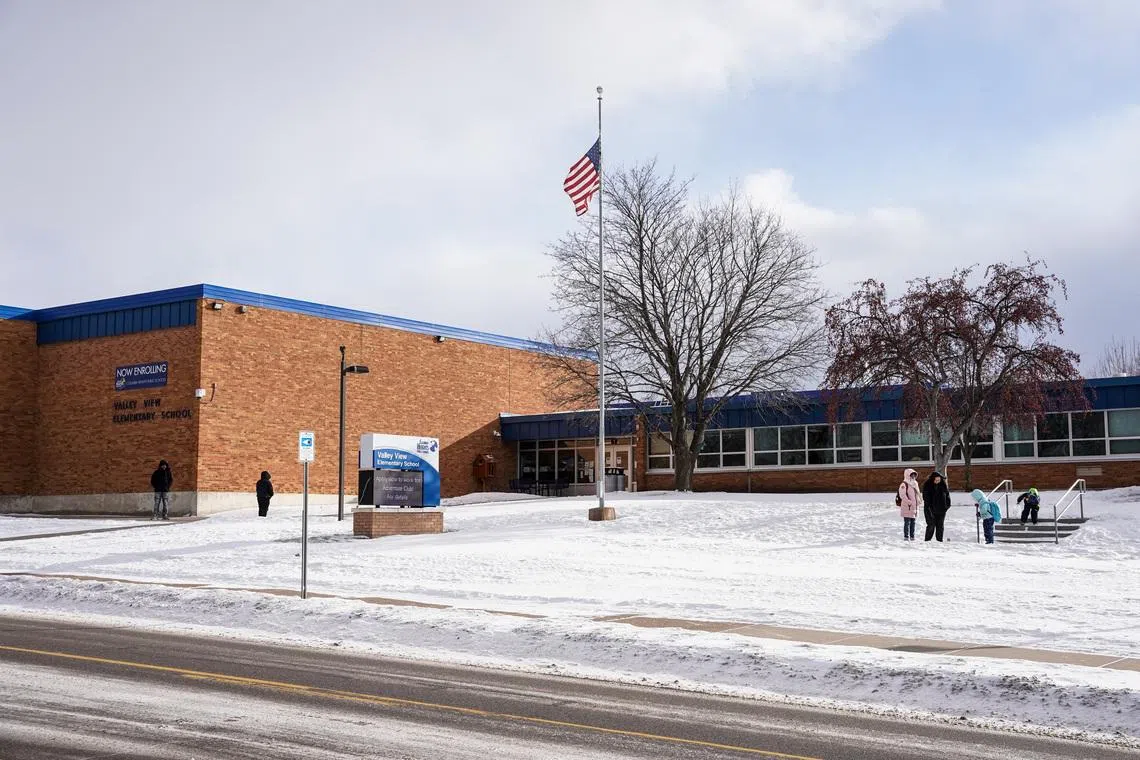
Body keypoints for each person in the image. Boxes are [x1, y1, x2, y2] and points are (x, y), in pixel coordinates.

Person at [921, 471, 951, 542]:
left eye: (939, 480)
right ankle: (927, 541)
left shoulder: (943, 485)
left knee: (940, 526)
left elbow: (947, 496)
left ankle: (939, 541)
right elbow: (926, 498)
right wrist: (929, 508)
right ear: (932, 479)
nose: (937, 481)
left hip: (941, 510)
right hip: (930, 510)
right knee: (931, 525)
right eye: (936, 480)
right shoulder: (927, 485)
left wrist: (946, 506)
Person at [897, 468, 922, 541]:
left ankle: (912, 536)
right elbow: (902, 495)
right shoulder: (904, 484)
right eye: (911, 475)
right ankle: (906, 536)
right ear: (908, 475)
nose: (913, 477)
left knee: (913, 522)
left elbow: (917, 493)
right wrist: (909, 502)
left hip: (914, 506)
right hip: (907, 506)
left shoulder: (915, 483)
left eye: (914, 475)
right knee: (907, 522)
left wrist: (919, 501)